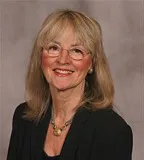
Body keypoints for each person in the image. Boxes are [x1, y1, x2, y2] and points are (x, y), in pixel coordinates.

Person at [7, 9, 133, 160]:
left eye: (76, 51)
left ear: (92, 63)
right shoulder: (23, 117)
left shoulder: (112, 131)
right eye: (54, 48)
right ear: (40, 56)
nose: (63, 60)